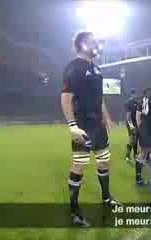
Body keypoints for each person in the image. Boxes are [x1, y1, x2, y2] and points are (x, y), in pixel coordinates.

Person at [61, 31, 120, 227]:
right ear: (83, 44)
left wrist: (107, 117)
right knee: (80, 165)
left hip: (98, 125)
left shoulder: (96, 68)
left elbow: (99, 97)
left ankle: (106, 198)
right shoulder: (73, 68)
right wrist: (72, 126)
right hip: (83, 125)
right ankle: (74, 211)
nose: (97, 45)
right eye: (93, 42)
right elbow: (66, 98)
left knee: (104, 161)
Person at [124, 89, 140, 162]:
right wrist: (131, 125)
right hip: (130, 123)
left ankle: (135, 154)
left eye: (135, 93)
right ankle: (127, 155)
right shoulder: (129, 102)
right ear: (131, 94)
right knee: (132, 139)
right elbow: (128, 115)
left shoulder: (137, 103)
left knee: (135, 139)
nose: (134, 95)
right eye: (133, 93)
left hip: (136, 122)